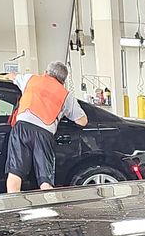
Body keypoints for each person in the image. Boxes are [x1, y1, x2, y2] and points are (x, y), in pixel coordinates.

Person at [5, 61, 88, 193]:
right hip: (44, 134)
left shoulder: (31, 79)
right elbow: (82, 121)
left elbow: (11, 76)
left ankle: (14, 205)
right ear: (63, 81)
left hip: (22, 128)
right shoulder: (65, 95)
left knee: (15, 173)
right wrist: (63, 113)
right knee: (45, 181)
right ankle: (49, 203)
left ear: (46, 72)